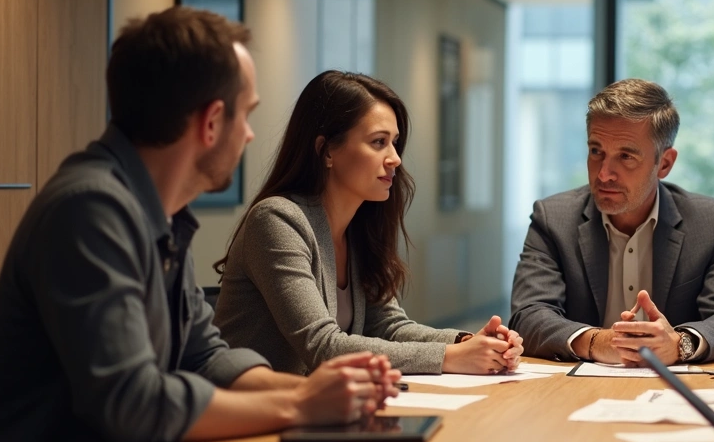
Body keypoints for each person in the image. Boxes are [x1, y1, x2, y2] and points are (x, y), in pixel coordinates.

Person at [0, 8, 397, 442]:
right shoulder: (91, 210)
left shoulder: (158, 214)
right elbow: (133, 401)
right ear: (211, 122)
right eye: (246, 114)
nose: (249, 134)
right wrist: (300, 406)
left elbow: (206, 358)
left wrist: (317, 392)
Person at [213, 71, 523, 376]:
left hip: (321, 412)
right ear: (327, 150)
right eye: (378, 142)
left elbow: (389, 326)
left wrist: (471, 343)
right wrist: (450, 356)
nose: (395, 159)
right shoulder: (277, 221)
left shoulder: (359, 227)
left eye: (394, 142)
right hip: (256, 416)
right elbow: (324, 347)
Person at [510, 78, 714, 365]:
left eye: (625, 156)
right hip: (577, 390)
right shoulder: (553, 219)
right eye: (596, 151)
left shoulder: (709, 222)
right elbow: (527, 315)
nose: (604, 174)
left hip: (673, 390)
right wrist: (596, 341)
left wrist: (679, 344)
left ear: (664, 163)